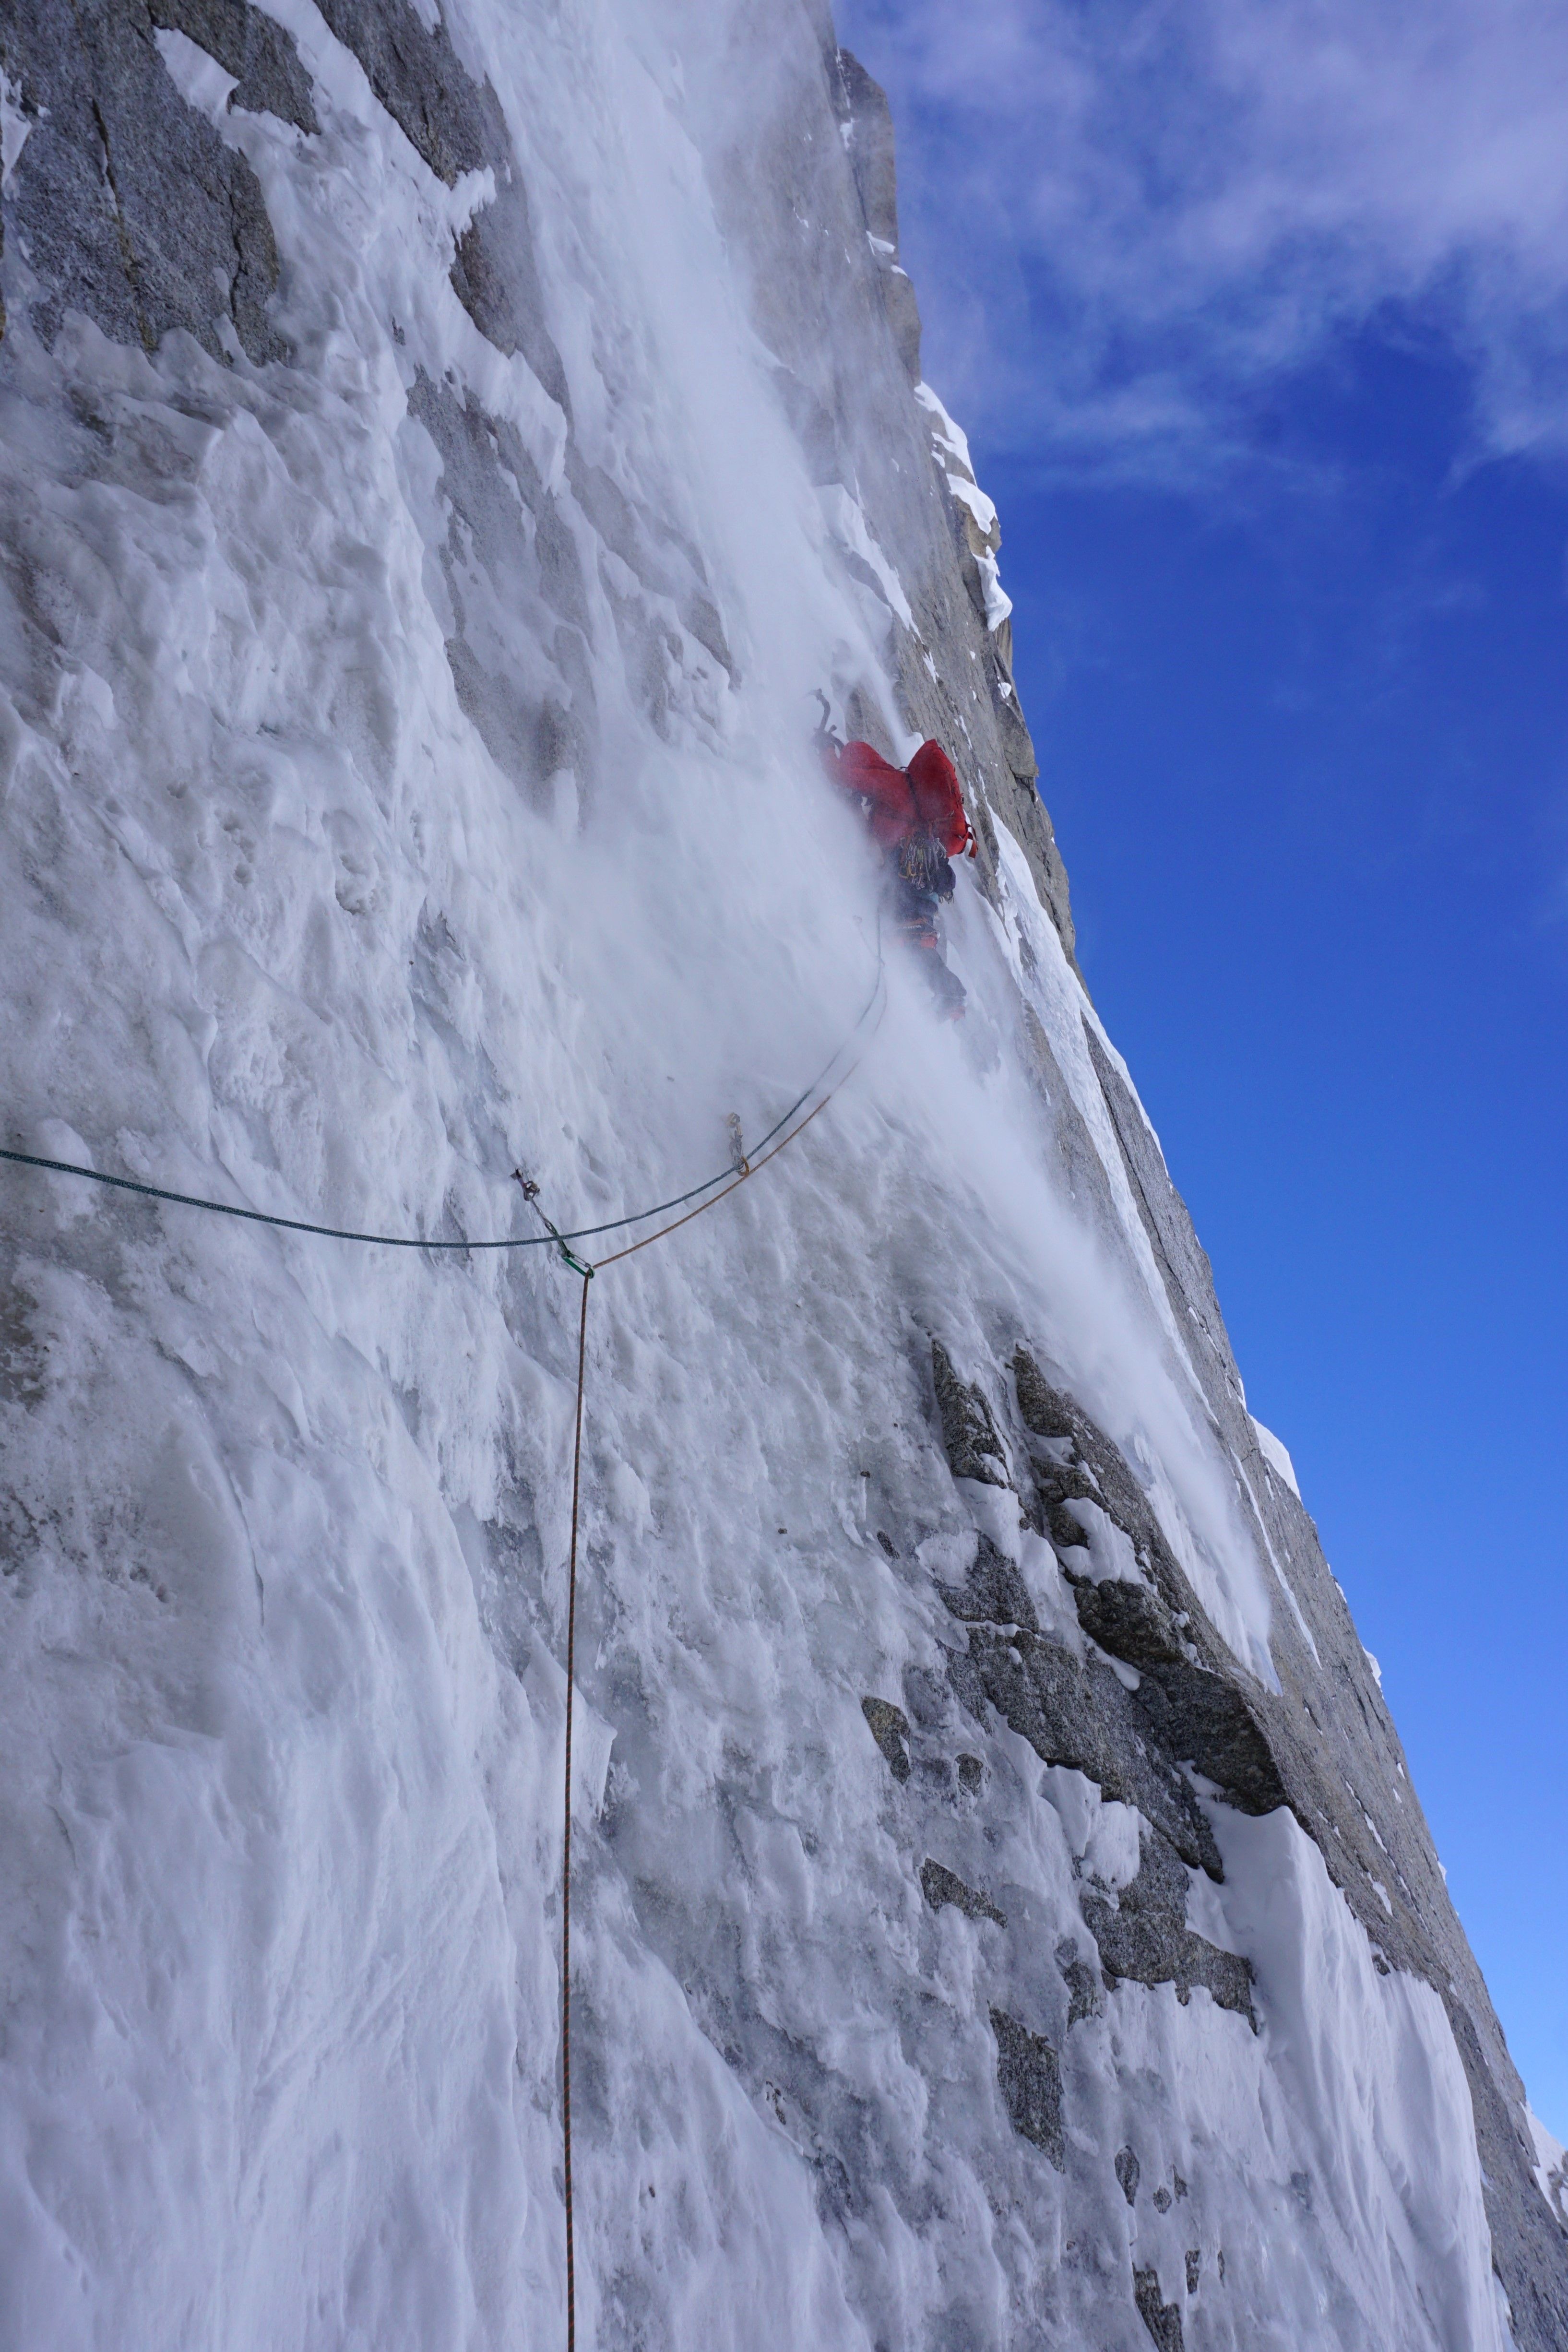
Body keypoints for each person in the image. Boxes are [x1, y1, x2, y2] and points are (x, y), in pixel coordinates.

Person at [819, 715, 974, 1020]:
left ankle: (948, 992)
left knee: (905, 935)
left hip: (898, 881)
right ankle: (948, 994)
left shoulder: (892, 785)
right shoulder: (905, 787)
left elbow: (838, 774)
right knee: (919, 945)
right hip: (923, 892)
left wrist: (825, 748)